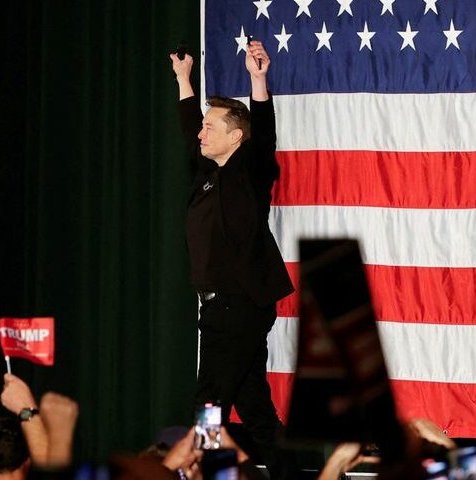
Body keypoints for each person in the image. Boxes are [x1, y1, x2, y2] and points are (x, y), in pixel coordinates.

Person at [170, 41, 295, 479]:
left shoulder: (250, 175)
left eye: (211, 127)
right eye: (202, 127)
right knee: (252, 405)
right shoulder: (207, 176)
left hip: (240, 303)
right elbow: (190, 133)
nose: (201, 133)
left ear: (235, 137)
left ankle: (195, 469)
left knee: (210, 400)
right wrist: (184, 80)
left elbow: (265, 138)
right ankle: (285, 471)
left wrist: (258, 81)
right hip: (220, 306)